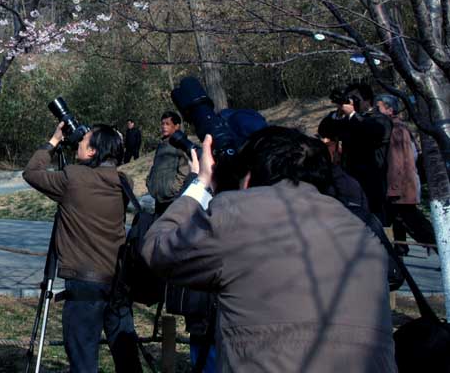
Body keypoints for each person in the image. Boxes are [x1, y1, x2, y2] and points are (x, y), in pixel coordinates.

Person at [142, 126, 396, 372]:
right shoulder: (360, 229)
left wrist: (202, 182)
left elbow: (158, 249)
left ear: (249, 178)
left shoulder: (237, 214)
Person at [23, 123, 140, 373]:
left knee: (84, 362)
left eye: (84, 140)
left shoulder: (73, 178)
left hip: (85, 286)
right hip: (118, 284)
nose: (78, 142)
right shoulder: (123, 181)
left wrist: (54, 140)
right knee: (127, 360)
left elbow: (32, 172)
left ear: (92, 152)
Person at [374, 93, 436, 254]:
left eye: (378, 107)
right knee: (401, 220)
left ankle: (440, 248)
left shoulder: (396, 129)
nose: (375, 110)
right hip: (402, 185)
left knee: (414, 223)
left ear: (389, 110)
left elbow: (398, 161)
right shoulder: (397, 127)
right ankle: (400, 251)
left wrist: (393, 188)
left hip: (402, 186)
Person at [328, 82, 392, 222]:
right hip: (350, 180)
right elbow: (325, 131)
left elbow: (371, 131)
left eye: (355, 98)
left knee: (376, 224)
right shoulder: (349, 120)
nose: (352, 102)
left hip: (372, 182)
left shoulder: (380, 119)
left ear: (367, 100)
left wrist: (352, 114)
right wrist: (337, 113)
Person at [145, 111, 190, 215]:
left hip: (172, 199)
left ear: (177, 126)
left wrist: (173, 188)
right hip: (159, 198)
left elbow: (184, 170)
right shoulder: (162, 144)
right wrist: (150, 182)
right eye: (162, 124)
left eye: (167, 124)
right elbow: (155, 166)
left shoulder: (181, 144)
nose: (164, 127)